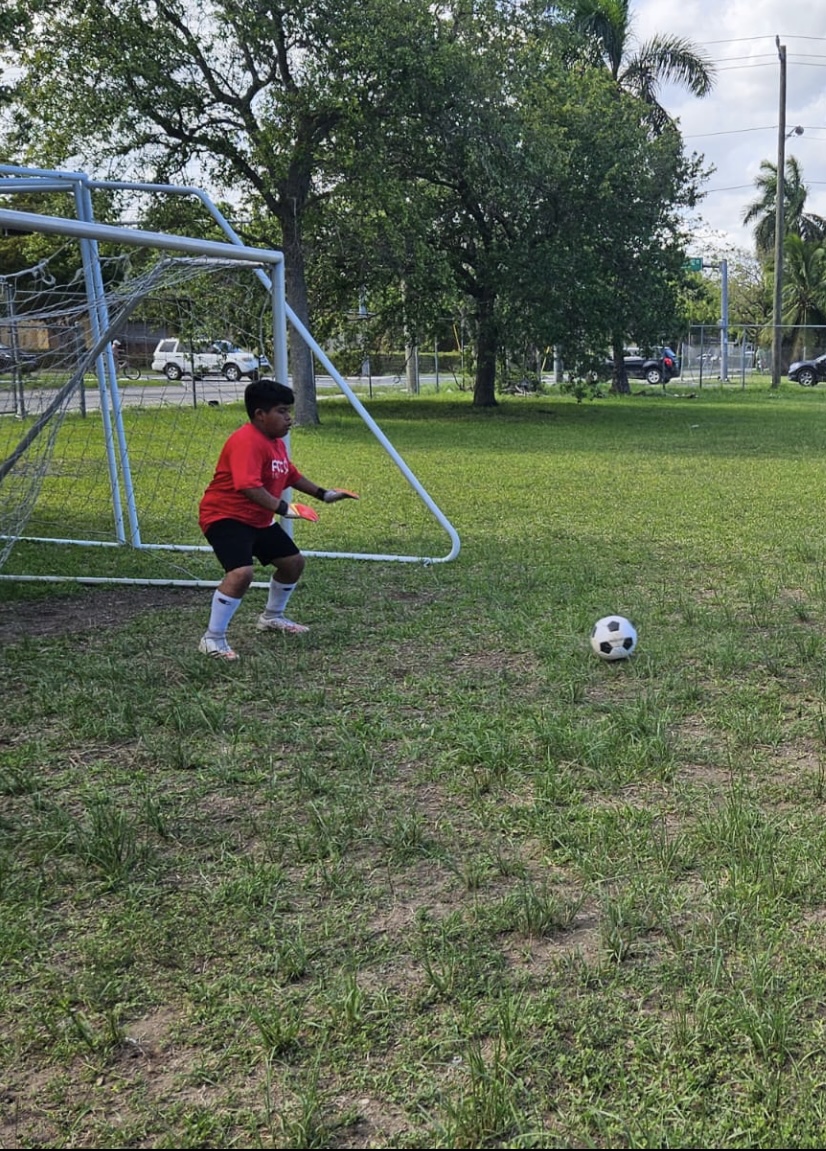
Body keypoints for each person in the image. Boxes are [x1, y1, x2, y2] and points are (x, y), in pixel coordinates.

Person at [197, 378, 358, 660]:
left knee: (293, 563)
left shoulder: (275, 442)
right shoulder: (246, 441)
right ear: (260, 414)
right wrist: (286, 509)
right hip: (225, 516)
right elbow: (248, 487)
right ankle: (212, 638)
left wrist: (325, 494)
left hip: (257, 518)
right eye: (282, 411)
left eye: (288, 411)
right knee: (240, 574)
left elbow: (289, 474)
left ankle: (272, 618)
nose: (289, 418)